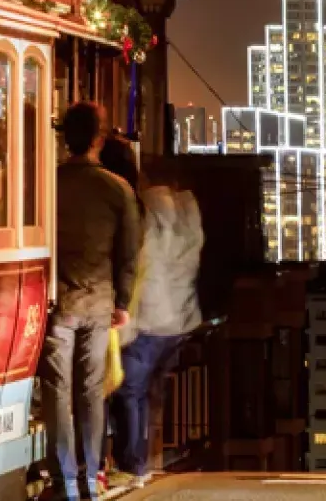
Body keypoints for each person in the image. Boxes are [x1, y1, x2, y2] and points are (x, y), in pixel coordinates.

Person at [41, 102, 138, 501]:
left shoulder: (48, 184)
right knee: (90, 391)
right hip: (99, 301)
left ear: (65, 137)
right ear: (98, 139)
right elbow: (130, 251)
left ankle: (64, 479)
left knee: (57, 392)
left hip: (57, 300)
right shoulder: (117, 189)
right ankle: (91, 476)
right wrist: (123, 300)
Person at [109, 175, 204, 486]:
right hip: (180, 322)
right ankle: (141, 459)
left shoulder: (148, 229)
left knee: (130, 392)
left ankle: (132, 465)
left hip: (151, 323)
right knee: (148, 394)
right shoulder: (188, 224)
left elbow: (138, 274)